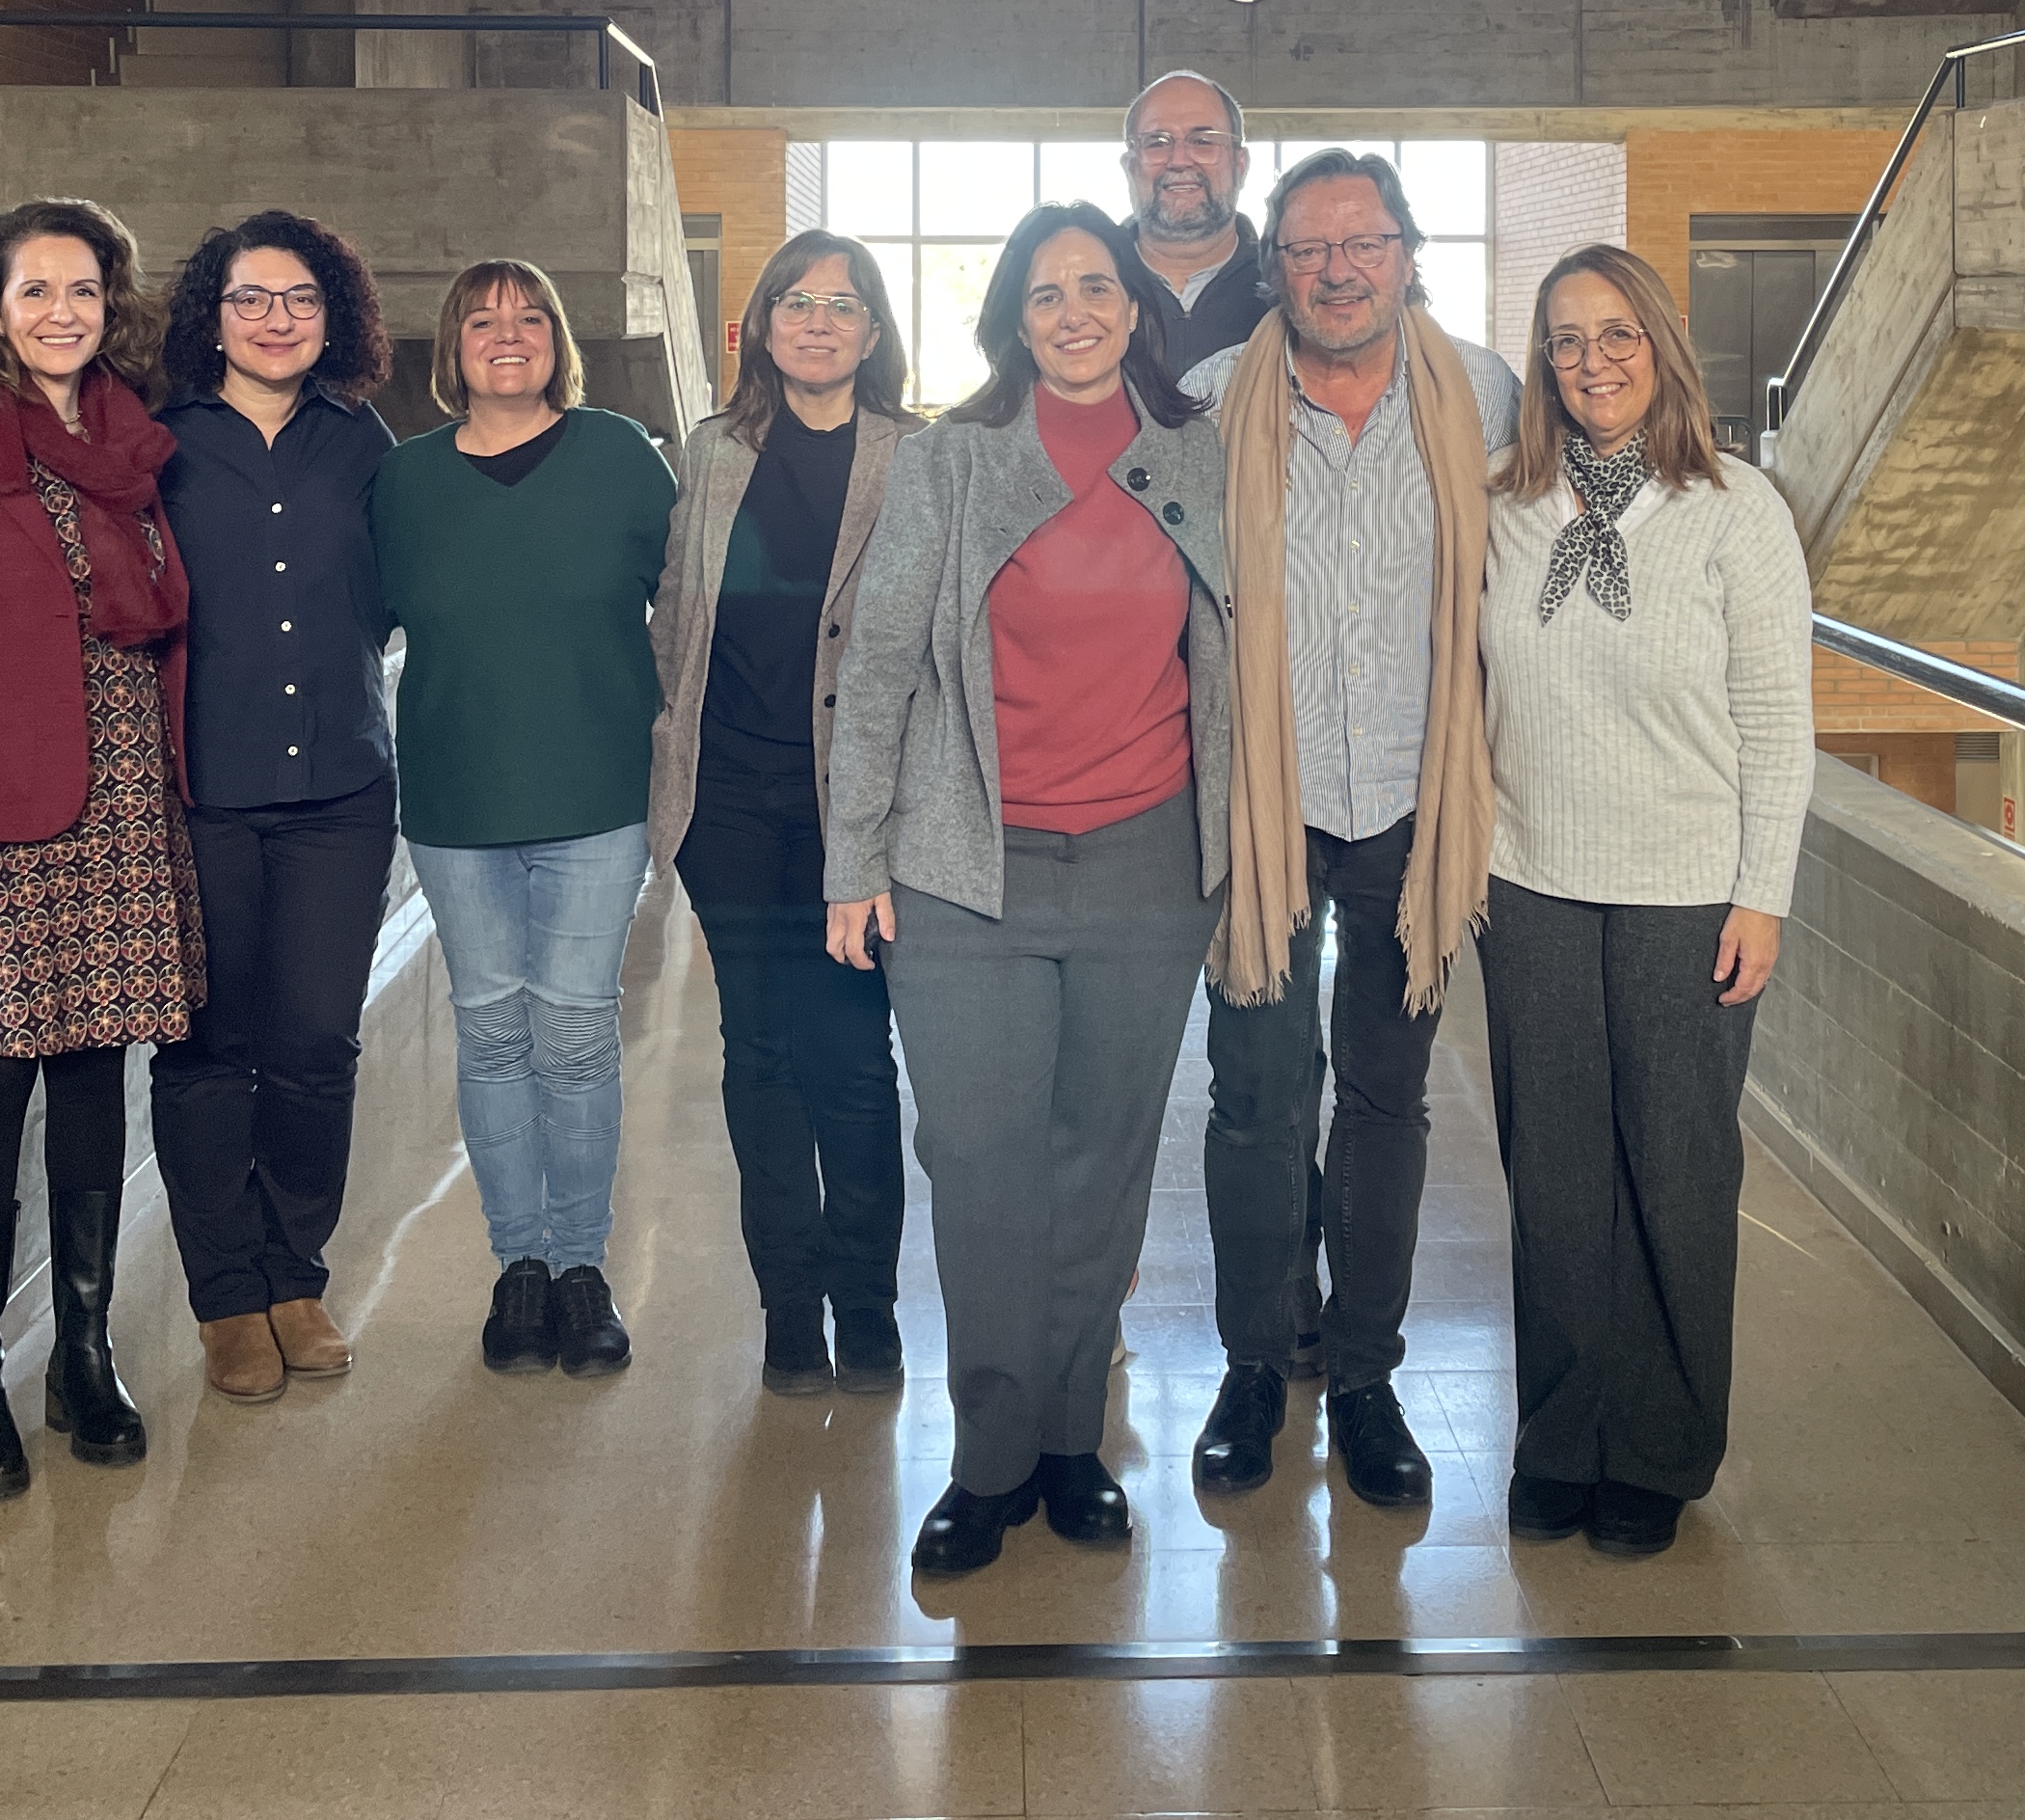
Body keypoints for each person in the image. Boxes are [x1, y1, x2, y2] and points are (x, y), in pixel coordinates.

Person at [825, 204, 1230, 1577]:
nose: (1073, 310)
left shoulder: (1199, 453)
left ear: (1134, 307)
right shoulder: (950, 461)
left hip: (1146, 864)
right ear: (1012, 316)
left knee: (1101, 1167)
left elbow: (1242, 655)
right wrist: (854, 859)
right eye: (1045, 291)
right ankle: (988, 1456)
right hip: (963, 872)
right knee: (985, 1166)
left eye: (1096, 286)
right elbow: (878, 664)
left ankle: (1073, 1441)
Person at [1178, 149, 1518, 1511]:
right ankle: (1259, 1360)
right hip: (1262, 798)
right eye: (1309, 250)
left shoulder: (1485, 394)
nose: (1336, 269)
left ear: (1406, 253)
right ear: (1277, 267)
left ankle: (1367, 1372)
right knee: (1257, 1097)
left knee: (1386, 1097)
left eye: (1360, 243)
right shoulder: (1211, 402)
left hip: (1411, 801)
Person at [1479, 245, 1813, 1559]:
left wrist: (1762, 895)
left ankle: (1662, 1450)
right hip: (1535, 884)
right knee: (1554, 1182)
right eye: (1565, 340)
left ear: (1660, 346)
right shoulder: (1511, 507)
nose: (1592, 360)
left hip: (1690, 897)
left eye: (1615, 333)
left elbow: (1779, 727)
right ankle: (1563, 1437)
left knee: (1675, 1176)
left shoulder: (1739, 513)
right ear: (1544, 365)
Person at [0, 197, 200, 1502]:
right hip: (2, 822)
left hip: (122, 798)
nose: (64, 313)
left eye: (85, 291)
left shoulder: (128, 444)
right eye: (36, 291)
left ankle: (84, 1347)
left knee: (92, 1079)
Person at [369, 260, 678, 1379]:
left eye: (531, 316)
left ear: (558, 340)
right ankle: (521, 1270)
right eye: (483, 320)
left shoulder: (619, 458)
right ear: (449, 352)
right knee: (493, 1029)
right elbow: (351, 622)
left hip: (596, 793)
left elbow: (688, 603)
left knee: (579, 1029)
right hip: (456, 801)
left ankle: (584, 1266)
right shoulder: (401, 484)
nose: (510, 334)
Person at [648, 231, 920, 1396]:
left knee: (854, 1060)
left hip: (856, 813)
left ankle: (867, 1302)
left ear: (874, 331)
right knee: (756, 1056)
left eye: (843, 305)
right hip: (731, 807)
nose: (818, 322)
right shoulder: (714, 454)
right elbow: (675, 615)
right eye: (796, 303)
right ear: (760, 325)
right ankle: (787, 1311)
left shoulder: (918, 457)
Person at [148, 210, 401, 1407]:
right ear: (213, 312)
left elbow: (409, 589)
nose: (277, 319)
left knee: (314, 1047)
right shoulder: (160, 443)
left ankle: (296, 1273)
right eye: (253, 298)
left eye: (300, 299)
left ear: (332, 314)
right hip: (199, 794)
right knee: (208, 1050)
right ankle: (223, 1298)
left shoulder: (363, 441)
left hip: (340, 793)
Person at [1120, 68, 1272, 367]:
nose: (1178, 160)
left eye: (1203, 141)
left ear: (1240, 166)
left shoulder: (1288, 285)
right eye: (1157, 142)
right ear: (1130, 168)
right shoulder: (1087, 285)